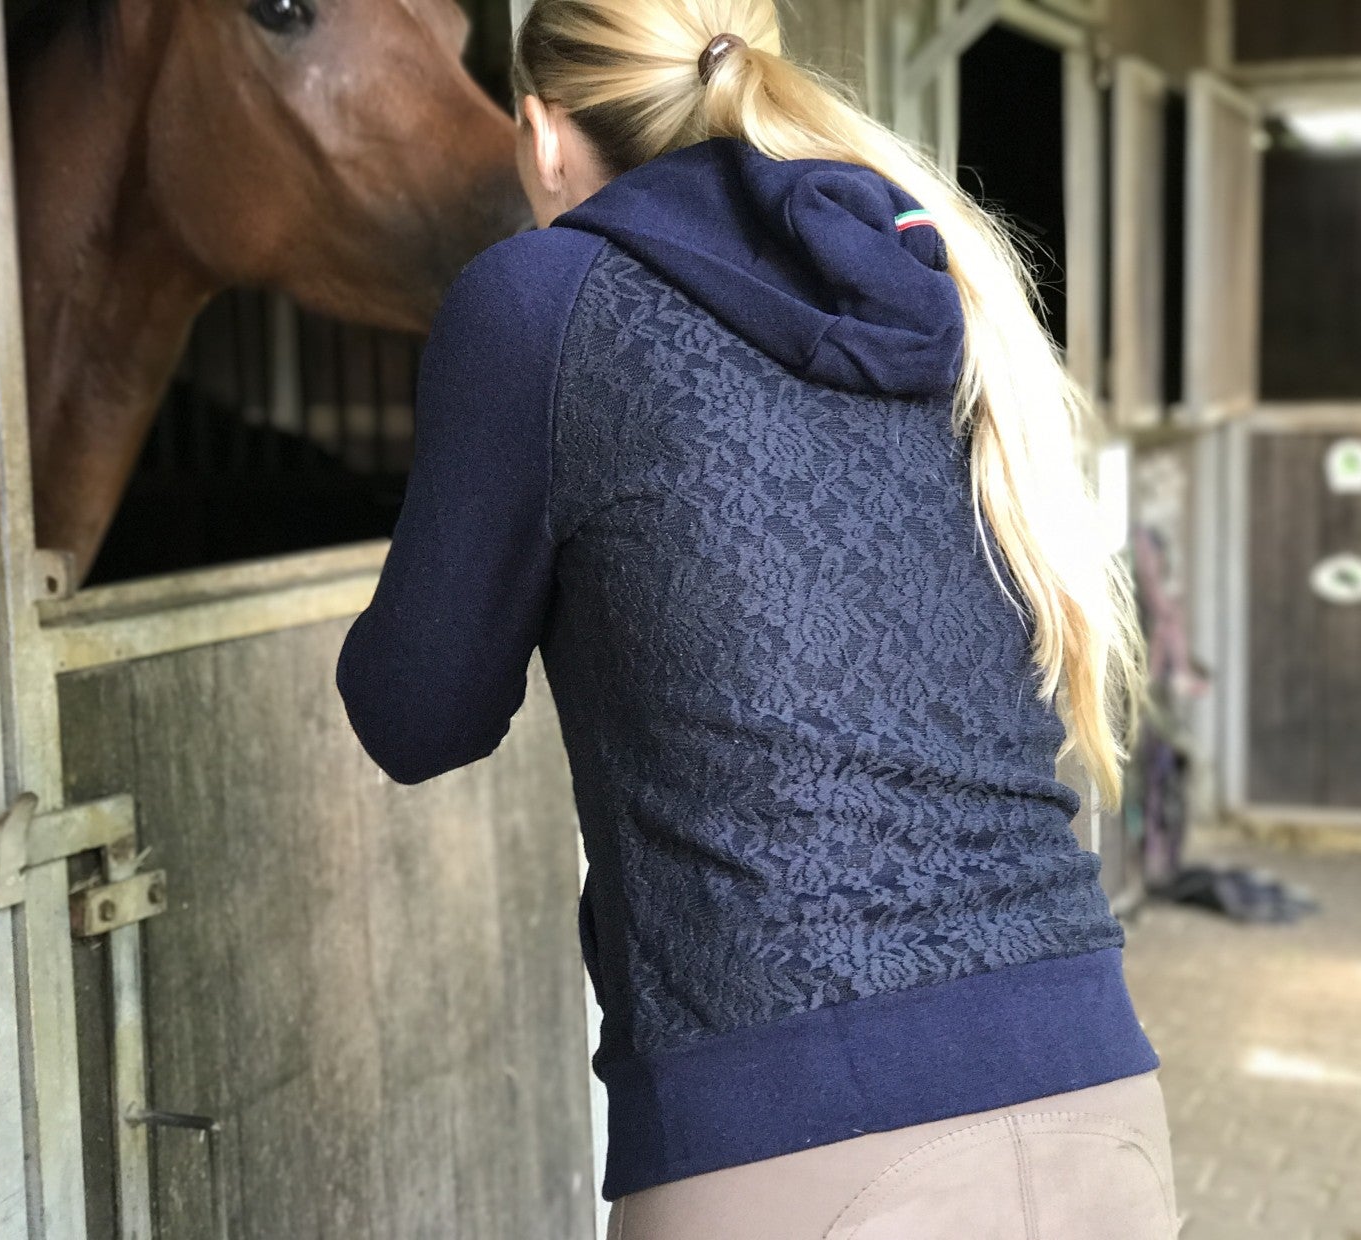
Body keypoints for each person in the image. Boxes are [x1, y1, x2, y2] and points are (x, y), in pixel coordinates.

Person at [335, 1, 1176, 1236]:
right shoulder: (929, 281)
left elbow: (417, 715)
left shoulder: (541, 299)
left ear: (543, 133)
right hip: (1096, 1088)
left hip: (786, 1137)